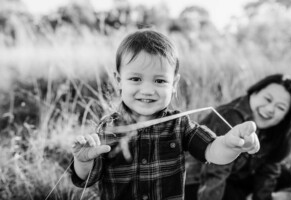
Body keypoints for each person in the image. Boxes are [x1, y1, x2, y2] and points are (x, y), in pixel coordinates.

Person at [69, 29, 260, 200]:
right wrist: (83, 161)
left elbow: (212, 151)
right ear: (119, 81)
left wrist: (230, 144)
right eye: (136, 79)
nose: (147, 90)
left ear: (174, 84)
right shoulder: (108, 128)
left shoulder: (179, 124)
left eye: (159, 81)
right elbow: (87, 178)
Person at [185, 74, 291, 200]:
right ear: (254, 93)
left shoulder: (275, 129)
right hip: (198, 178)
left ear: (286, 117)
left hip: (237, 173)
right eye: (267, 99)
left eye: (280, 107)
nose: (270, 109)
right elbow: (214, 173)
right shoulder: (231, 116)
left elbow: (269, 169)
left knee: (284, 176)